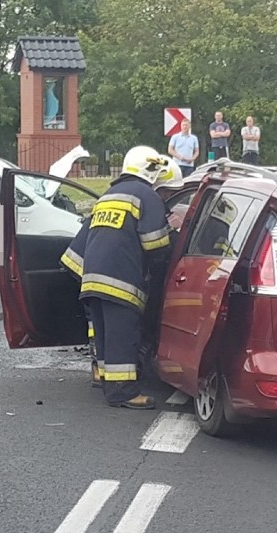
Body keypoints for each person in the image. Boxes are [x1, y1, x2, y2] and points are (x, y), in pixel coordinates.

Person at [60, 146, 173, 409]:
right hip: (121, 281)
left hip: (91, 280)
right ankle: (122, 392)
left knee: (104, 334)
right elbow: (155, 244)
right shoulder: (145, 195)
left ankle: (106, 381)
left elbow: (80, 247)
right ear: (151, 170)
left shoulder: (109, 196)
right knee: (122, 335)